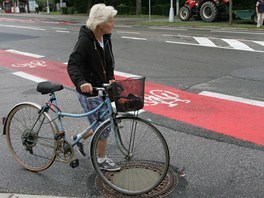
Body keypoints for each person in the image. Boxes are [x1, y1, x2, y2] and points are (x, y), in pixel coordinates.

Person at [67, 4, 120, 171]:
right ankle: (101, 160)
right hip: (89, 92)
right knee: (103, 127)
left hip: (102, 89)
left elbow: (109, 62)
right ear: (100, 24)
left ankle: (78, 138)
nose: (113, 24)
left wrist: (110, 78)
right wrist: (81, 82)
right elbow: (72, 65)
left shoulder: (105, 38)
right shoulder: (85, 41)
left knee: (100, 121)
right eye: (110, 21)